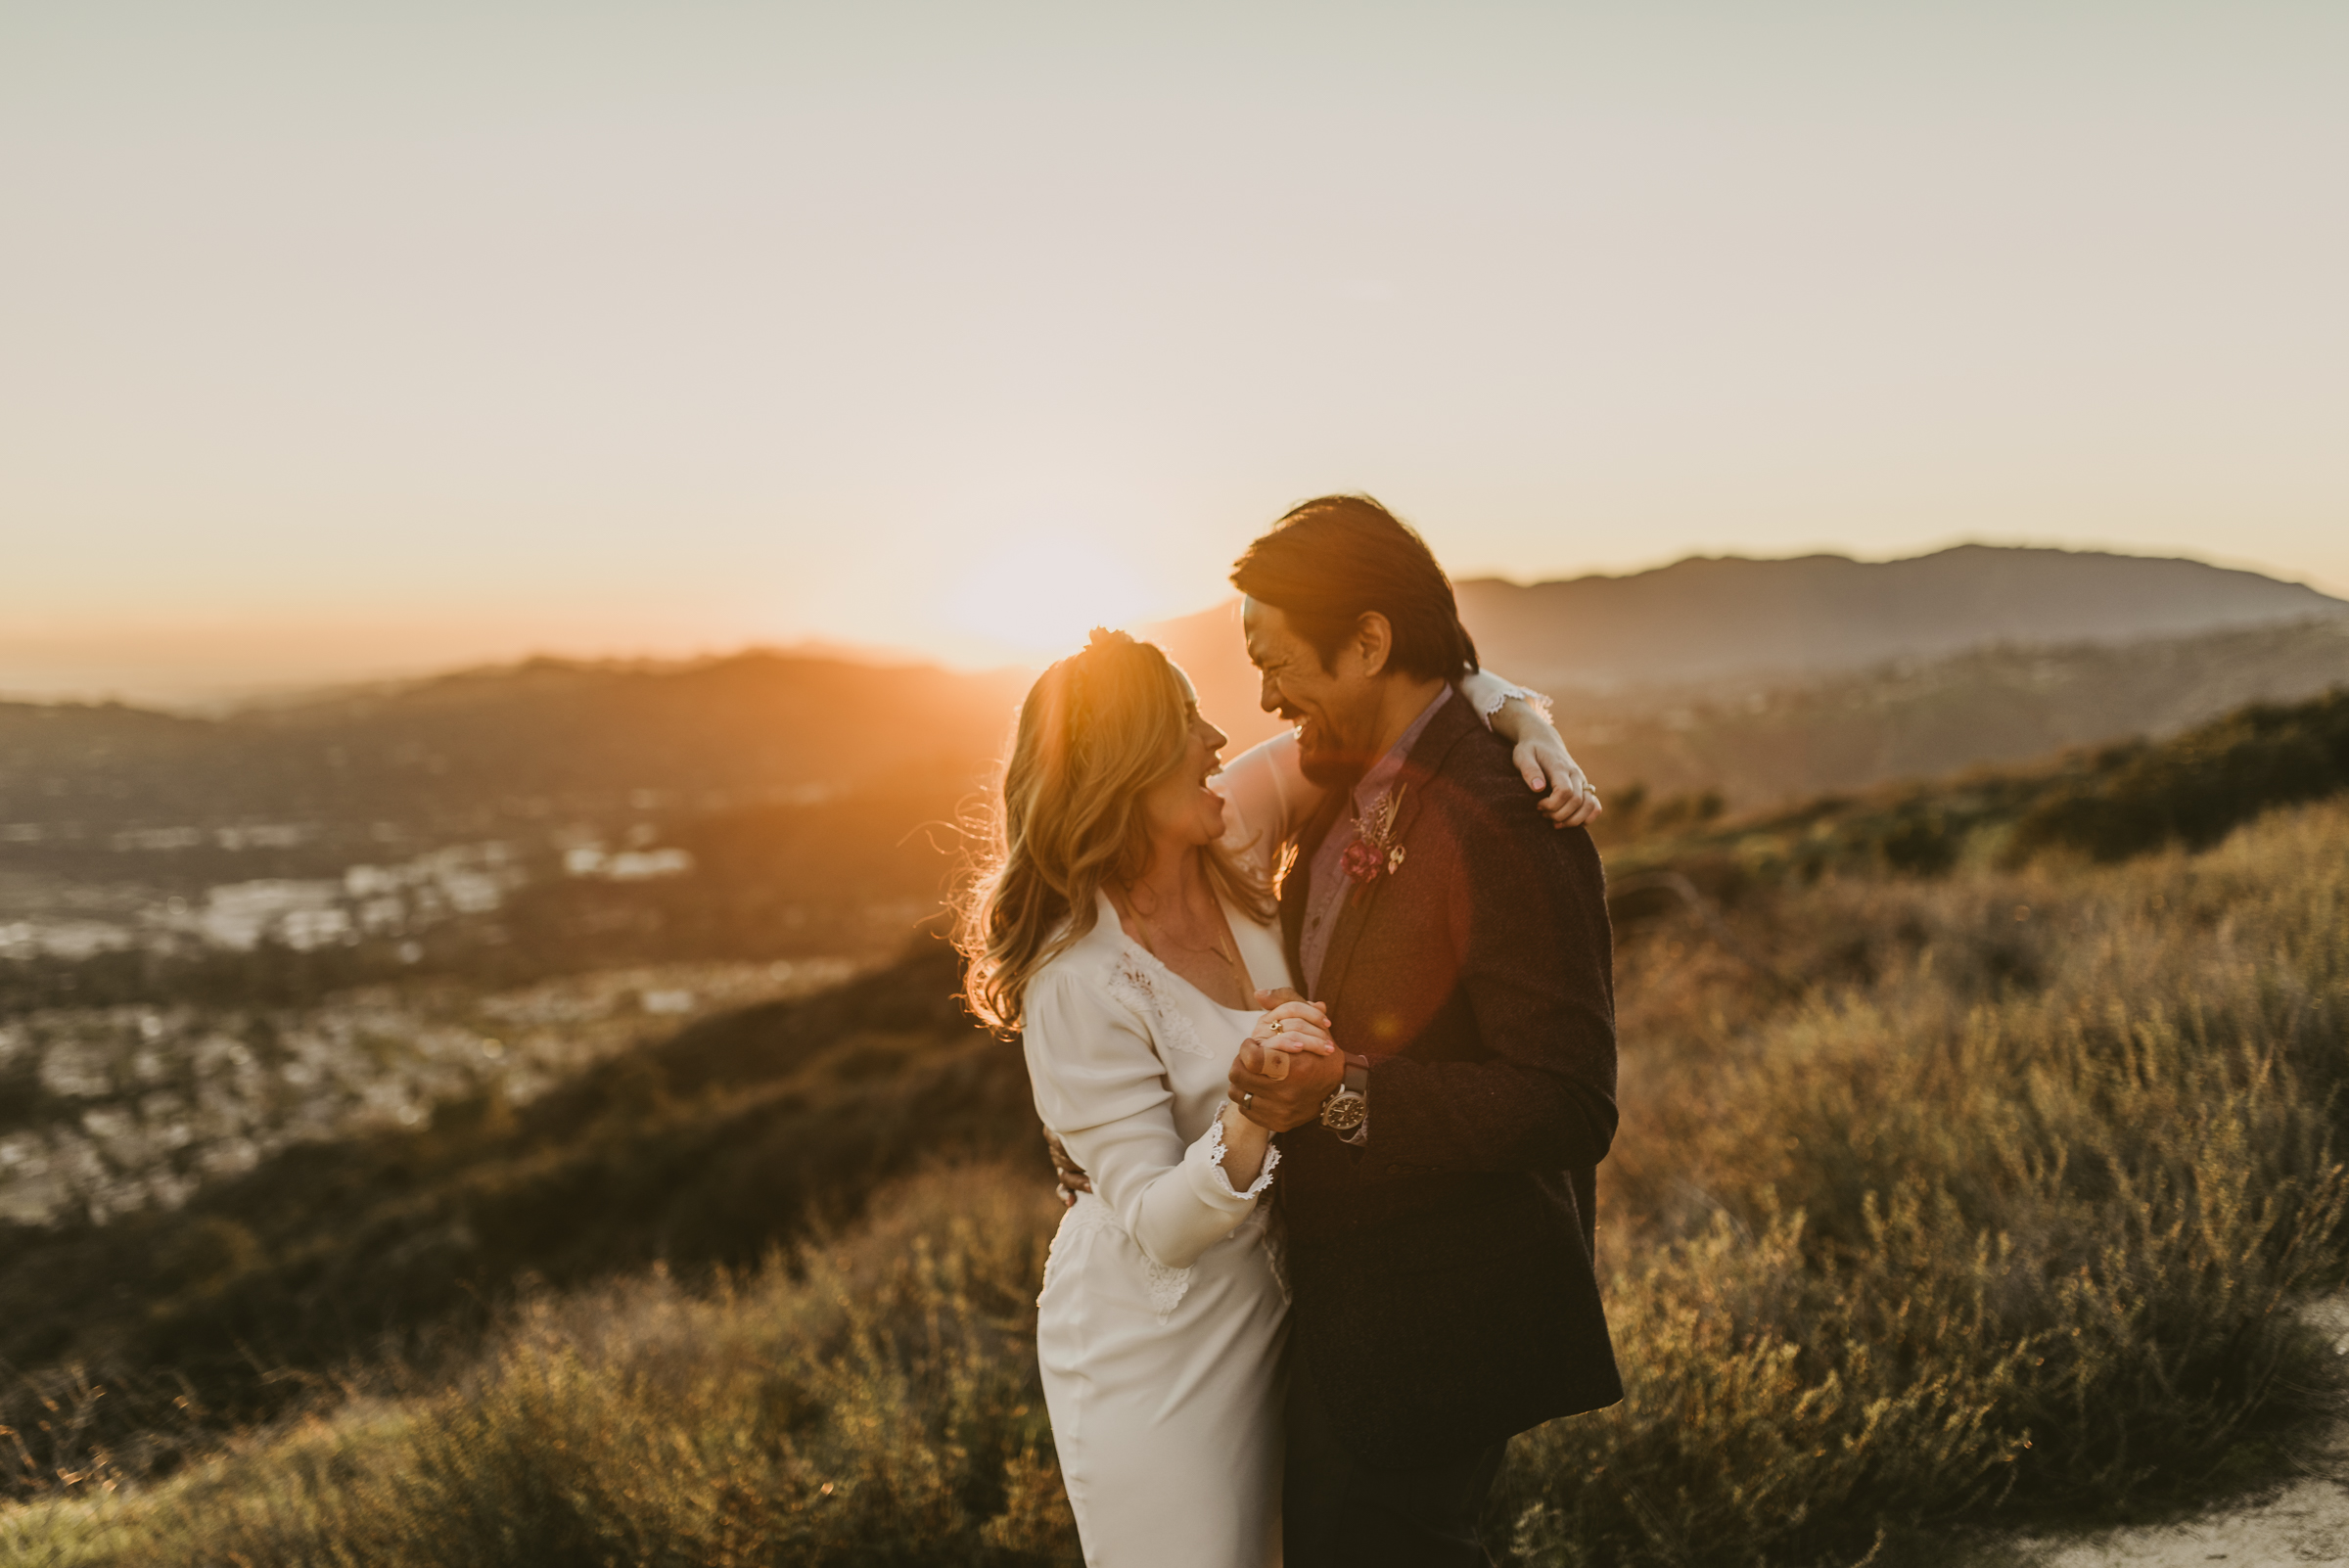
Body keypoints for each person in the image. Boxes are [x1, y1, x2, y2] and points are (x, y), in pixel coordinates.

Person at [955, 617, 1595, 1567]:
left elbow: (1400, 711)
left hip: (1298, 1312)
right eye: (1186, 722)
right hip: (1158, 1343)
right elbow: (1158, 1224)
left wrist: (1521, 720)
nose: (1220, 740)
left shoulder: (1233, 833)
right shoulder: (1075, 980)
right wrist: (1254, 1111)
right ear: (1128, 766)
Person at [1223, 495, 1624, 1567]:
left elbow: (1571, 1097)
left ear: (1368, 639)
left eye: (1276, 661)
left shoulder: (1501, 809)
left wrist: (1343, 1093)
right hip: (1343, 1305)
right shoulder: (1346, 765)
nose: (1263, 695)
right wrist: (1508, 698)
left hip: (1438, 1321)